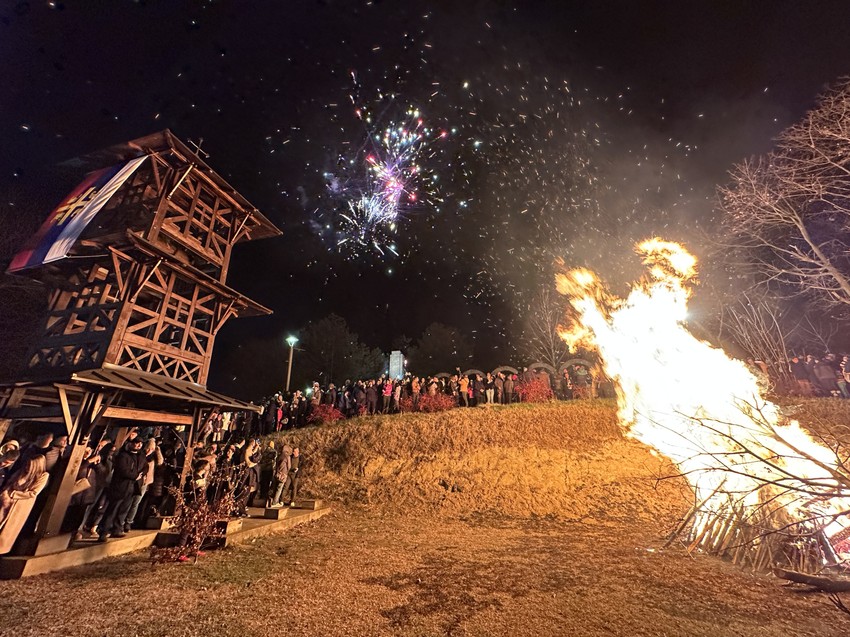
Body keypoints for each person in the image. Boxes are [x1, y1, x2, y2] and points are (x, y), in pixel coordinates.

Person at [97, 437, 147, 542]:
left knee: (123, 510)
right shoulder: (123, 455)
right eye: (137, 443)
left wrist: (142, 474)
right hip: (120, 486)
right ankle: (103, 532)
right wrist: (135, 476)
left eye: (140, 444)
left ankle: (117, 529)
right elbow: (122, 470)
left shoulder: (140, 455)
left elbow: (145, 466)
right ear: (132, 444)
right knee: (113, 509)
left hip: (132, 487)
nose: (139, 445)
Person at [0, 454, 49, 554]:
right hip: (6, 502)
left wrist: (13, 494)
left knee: (8, 530)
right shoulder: (21, 471)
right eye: (27, 464)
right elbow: (10, 482)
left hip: (20, 506)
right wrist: (5, 493)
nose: (27, 467)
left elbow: (33, 493)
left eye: (30, 465)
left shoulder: (43, 476)